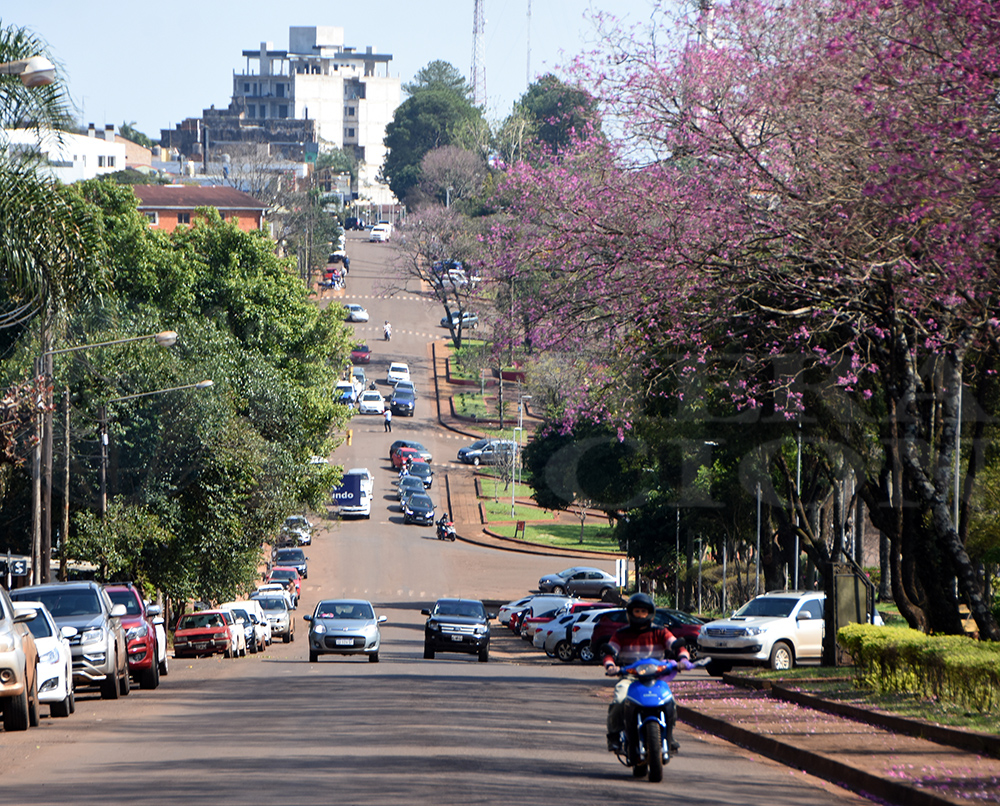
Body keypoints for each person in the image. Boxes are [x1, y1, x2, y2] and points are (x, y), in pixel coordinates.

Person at [602, 592, 692, 753]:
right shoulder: (621, 634)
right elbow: (610, 653)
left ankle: (669, 736)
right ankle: (614, 736)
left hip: (656, 677)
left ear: (650, 613)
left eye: (643, 611)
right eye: (637, 611)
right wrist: (610, 666)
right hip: (630, 678)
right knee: (619, 700)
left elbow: (677, 646)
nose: (640, 615)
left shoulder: (660, 632)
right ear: (630, 613)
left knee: (669, 702)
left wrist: (683, 660)